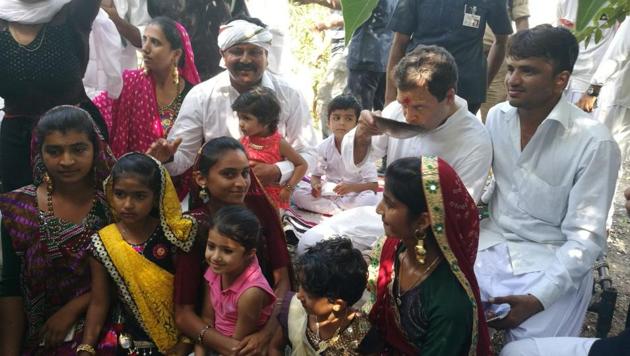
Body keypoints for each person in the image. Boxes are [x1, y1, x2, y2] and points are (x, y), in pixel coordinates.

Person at [475, 25, 621, 342]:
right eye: (511, 68)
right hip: (489, 250)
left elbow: (584, 241)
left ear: (561, 80)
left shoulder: (594, 143)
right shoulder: (497, 117)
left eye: (527, 71)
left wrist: (538, 299)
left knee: (527, 352)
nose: (512, 80)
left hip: (551, 265)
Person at [296, 45, 492, 254]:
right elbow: (354, 167)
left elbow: (456, 215)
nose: (408, 116)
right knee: (309, 245)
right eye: (403, 105)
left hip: (430, 235)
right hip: (383, 216)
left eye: (418, 107)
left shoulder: (474, 141)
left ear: (449, 97)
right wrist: (361, 136)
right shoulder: (398, 111)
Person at [147, 17, 318, 190]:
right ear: (223, 55)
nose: (245, 59)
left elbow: (309, 152)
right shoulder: (201, 96)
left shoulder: (289, 94)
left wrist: (277, 171)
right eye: (237, 51)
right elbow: (183, 158)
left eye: (255, 52)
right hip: (220, 199)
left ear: (267, 56)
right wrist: (168, 158)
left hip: (276, 195)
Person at [0, 106, 116, 355]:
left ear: (95, 149)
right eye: (54, 151)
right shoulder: (18, 208)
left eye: (78, 149)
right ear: (39, 153)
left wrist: (75, 307)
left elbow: (131, 272)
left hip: (106, 323)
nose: (67, 161)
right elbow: (11, 287)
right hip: (36, 332)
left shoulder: (116, 207)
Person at [357, 156, 490, 354]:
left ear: (422, 221)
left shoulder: (450, 304)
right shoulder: (393, 248)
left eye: (390, 204)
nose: (379, 209)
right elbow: (375, 317)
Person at [173, 137, 291, 356]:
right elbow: (183, 313)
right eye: (229, 174)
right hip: (215, 331)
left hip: (264, 320)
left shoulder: (259, 210)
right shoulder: (193, 226)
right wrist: (232, 348)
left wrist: (265, 334)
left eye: (245, 173)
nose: (241, 183)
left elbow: (282, 279)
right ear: (201, 178)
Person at [78, 153, 197, 356]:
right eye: (120, 194)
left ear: (156, 197)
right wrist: (87, 347)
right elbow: (100, 301)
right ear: (110, 192)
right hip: (125, 342)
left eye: (139, 196)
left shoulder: (174, 237)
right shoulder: (103, 241)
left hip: (178, 344)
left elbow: (190, 296)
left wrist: (185, 343)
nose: (128, 204)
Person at [0, 0, 109, 193]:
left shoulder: (74, 13)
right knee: (21, 215)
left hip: (75, 135)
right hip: (18, 144)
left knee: (88, 209)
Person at [93, 16, 200, 198]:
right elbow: (98, 111)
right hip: (128, 186)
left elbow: (191, 150)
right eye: (145, 40)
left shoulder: (193, 95)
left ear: (176, 54)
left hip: (174, 190)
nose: (146, 48)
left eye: (155, 42)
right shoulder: (129, 83)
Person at [385, 0, 513, 113]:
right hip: (418, 88)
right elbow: (399, 43)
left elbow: (501, 42)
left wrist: (482, 85)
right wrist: (390, 99)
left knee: (457, 138)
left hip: (466, 93)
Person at [195, 205, 276, 355]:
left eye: (227, 251)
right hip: (215, 340)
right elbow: (206, 319)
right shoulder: (214, 270)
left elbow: (238, 345)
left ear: (250, 254)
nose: (215, 257)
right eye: (211, 246)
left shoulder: (250, 293)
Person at [270, 237, 371, 356]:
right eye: (301, 285)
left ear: (337, 305)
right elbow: (275, 348)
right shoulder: (293, 310)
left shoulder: (362, 335)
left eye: (309, 293)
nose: (298, 295)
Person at [293, 95, 378, 215]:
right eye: (336, 118)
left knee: (370, 199)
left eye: (348, 119)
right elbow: (316, 176)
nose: (341, 123)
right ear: (328, 122)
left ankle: (334, 211)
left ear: (357, 124)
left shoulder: (362, 148)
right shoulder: (323, 147)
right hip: (330, 193)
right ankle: (340, 212)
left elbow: (374, 186)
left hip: (354, 194)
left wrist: (351, 187)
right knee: (298, 195)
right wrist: (316, 186)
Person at [233, 87, 308, 210]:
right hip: (248, 195)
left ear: (266, 121)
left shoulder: (278, 143)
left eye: (246, 118)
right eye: (239, 117)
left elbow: (301, 165)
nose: (241, 123)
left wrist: (288, 188)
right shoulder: (244, 140)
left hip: (271, 199)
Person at [479, 0, 530, 120]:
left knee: (494, 111)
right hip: (463, 51)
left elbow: (521, 16)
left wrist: (522, 56)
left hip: (497, 53)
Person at [344, 0, 398, 111]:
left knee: (357, 111)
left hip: (365, 56)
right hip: (386, 57)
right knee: (384, 112)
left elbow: (351, 9)